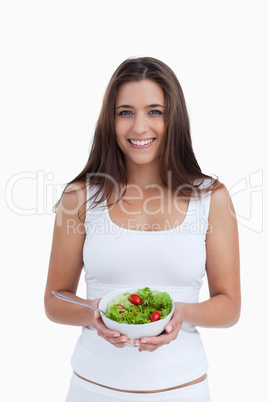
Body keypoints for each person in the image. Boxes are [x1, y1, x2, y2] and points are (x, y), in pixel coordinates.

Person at [44, 56, 241, 402]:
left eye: (154, 111)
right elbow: (54, 299)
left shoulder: (212, 198)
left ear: (173, 118)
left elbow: (229, 306)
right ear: (110, 120)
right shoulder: (79, 197)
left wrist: (183, 312)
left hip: (183, 391)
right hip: (93, 391)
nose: (139, 127)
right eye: (125, 112)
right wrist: (95, 311)